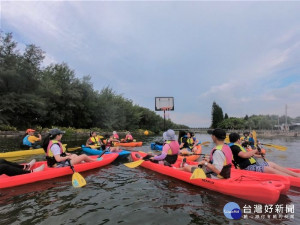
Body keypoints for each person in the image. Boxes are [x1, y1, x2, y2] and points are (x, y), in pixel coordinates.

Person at [229, 132, 300, 177]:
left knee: (272, 164)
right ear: (238, 139)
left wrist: (259, 155)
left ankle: (296, 175)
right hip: (246, 167)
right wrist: (256, 150)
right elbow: (245, 155)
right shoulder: (234, 147)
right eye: (240, 139)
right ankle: (292, 178)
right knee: (269, 169)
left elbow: (249, 155)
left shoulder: (238, 146)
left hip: (253, 165)